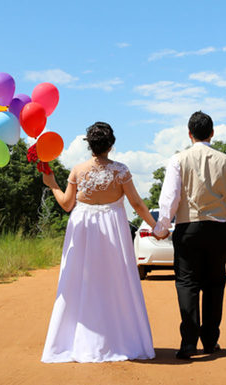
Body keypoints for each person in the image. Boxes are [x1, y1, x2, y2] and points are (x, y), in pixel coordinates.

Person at [40, 121, 157, 363]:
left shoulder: (78, 170)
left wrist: (52, 184)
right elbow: (136, 203)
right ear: (111, 145)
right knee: (117, 280)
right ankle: (121, 338)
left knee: (79, 281)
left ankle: (76, 340)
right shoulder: (121, 171)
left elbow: (66, 205)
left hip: (83, 227)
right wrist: (156, 226)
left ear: (89, 145)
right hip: (113, 227)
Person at [153, 111, 226, 360]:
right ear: (212, 133)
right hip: (218, 229)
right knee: (215, 285)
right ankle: (210, 341)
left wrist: (162, 228)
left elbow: (170, 199)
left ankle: (188, 344)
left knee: (187, 283)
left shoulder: (178, 160)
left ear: (189, 133)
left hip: (188, 227)